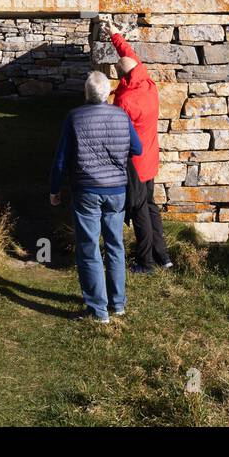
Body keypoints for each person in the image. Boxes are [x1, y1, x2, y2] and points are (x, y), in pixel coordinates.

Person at [49, 71, 143, 323]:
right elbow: (137, 148)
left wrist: (54, 189)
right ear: (107, 92)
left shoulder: (75, 117)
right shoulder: (121, 116)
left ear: (86, 93)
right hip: (117, 190)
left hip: (87, 190)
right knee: (115, 246)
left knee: (89, 248)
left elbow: (60, 159)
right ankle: (118, 304)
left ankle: (98, 310)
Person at [108, 27, 170, 273]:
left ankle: (145, 262)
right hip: (151, 158)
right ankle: (163, 256)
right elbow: (129, 54)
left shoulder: (125, 101)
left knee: (139, 210)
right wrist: (115, 35)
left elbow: (119, 135)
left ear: (122, 78)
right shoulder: (148, 83)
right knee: (151, 205)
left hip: (135, 163)